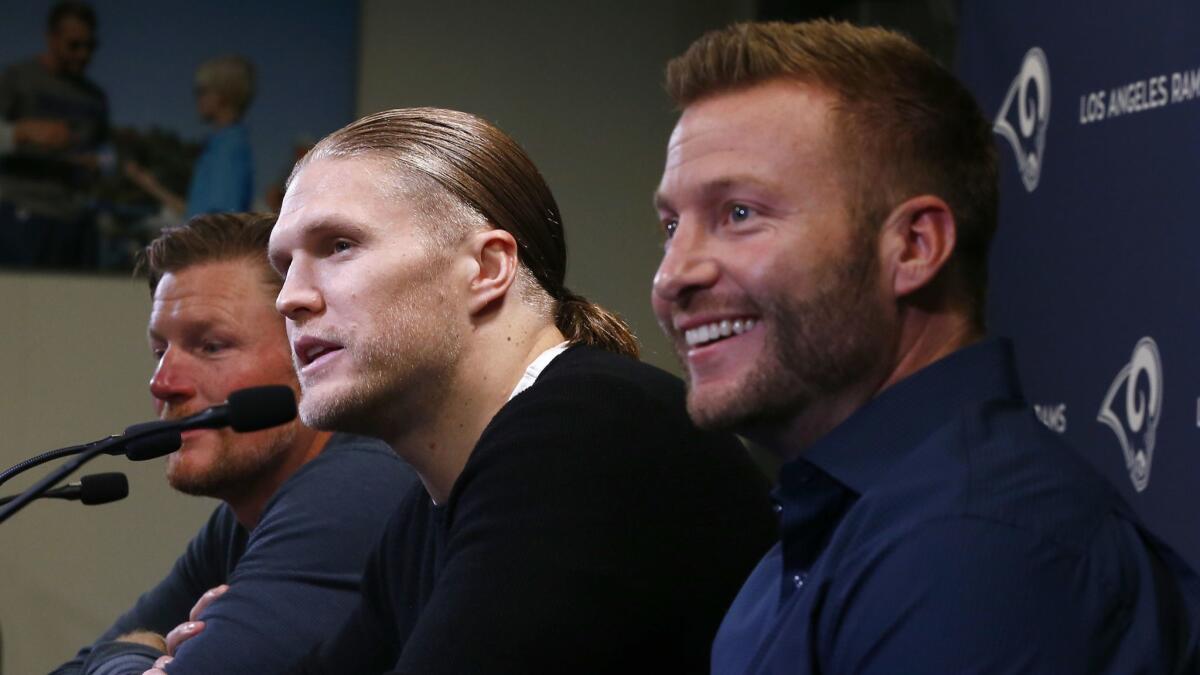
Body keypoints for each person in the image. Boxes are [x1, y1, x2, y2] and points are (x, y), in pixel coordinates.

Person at [650, 20, 1200, 674]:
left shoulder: (979, 546)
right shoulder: (834, 533)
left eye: (739, 213)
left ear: (914, 247)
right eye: (671, 225)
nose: (672, 274)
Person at [254, 107, 776, 674]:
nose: (289, 298)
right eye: (283, 266)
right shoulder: (424, 516)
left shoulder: (589, 434)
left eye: (338, 246)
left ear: (486, 268)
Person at [52, 213, 418, 675]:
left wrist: (132, 652)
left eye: (211, 346)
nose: (163, 383)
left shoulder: (357, 485)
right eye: (159, 351)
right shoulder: (236, 522)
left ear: (309, 355)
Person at [0, 0, 109, 268]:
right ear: (51, 38)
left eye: (90, 46)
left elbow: (108, 153)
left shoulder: (95, 98)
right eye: (74, 45)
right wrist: (21, 133)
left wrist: (100, 162)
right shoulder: (18, 78)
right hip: (21, 212)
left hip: (76, 217)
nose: (83, 54)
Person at [125, 56, 256, 219]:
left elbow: (220, 222)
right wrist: (148, 184)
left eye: (201, 91)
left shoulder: (228, 147)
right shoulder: (220, 145)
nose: (197, 98)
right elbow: (195, 216)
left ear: (221, 95)